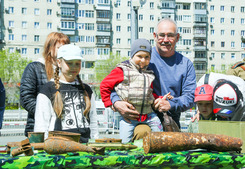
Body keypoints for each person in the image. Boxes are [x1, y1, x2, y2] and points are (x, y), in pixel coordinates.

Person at [111, 18, 196, 135]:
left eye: (170, 35)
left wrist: (171, 104)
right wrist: (116, 102)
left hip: (170, 122)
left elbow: (190, 97)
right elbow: (115, 84)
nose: (165, 40)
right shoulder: (143, 57)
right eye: (162, 35)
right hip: (141, 119)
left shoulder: (186, 65)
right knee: (142, 133)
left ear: (177, 38)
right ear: (155, 36)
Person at [100, 39, 167, 143]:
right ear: (132, 55)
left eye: (147, 57)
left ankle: (159, 151)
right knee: (125, 142)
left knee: (159, 136)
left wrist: (159, 98)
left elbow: (150, 92)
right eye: (139, 56)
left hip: (148, 114)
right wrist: (109, 103)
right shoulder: (122, 70)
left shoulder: (150, 72)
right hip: (129, 116)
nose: (143, 60)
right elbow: (104, 85)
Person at [34, 44, 99, 143]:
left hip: (85, 147)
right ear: (59, 63)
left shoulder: (87, 90)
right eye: (69, 63)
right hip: (58, 147)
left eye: (77, 63)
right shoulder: (47, 90)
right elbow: (41, 125)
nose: (74, 67)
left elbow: (93, 121)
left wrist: (95, 142)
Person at [20, 32, 70, 137]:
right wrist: (48, 112)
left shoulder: (68, 70)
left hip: (65, 129)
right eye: (60, 48)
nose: (64, 51)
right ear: (49, 48)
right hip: (39, 130)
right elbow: (26, 98)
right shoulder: (34, 68)